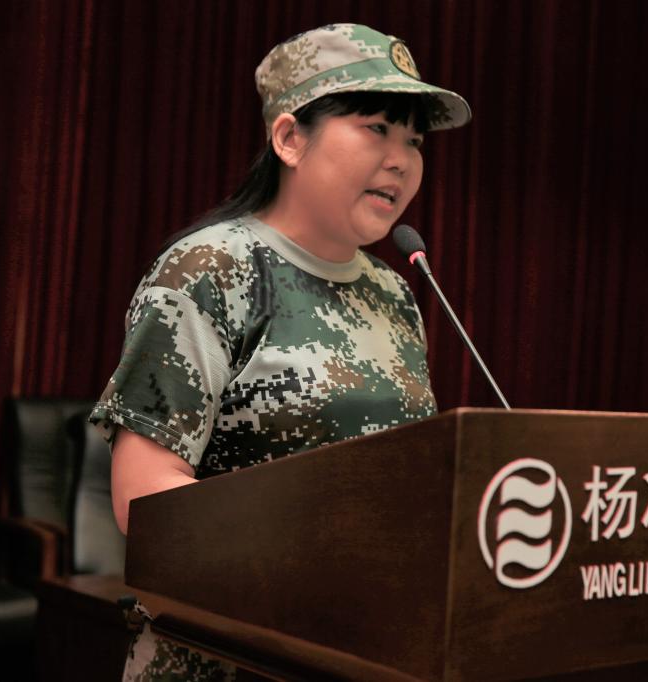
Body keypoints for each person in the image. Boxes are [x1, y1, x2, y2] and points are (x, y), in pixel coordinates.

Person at [90, 23, 471, 680]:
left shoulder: (394, 292)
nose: (402, 160)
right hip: (222, 660)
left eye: (414, 141)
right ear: (291, 138)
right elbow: (144, 501)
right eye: (377, 128)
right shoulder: (209, 270)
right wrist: (325, 559)